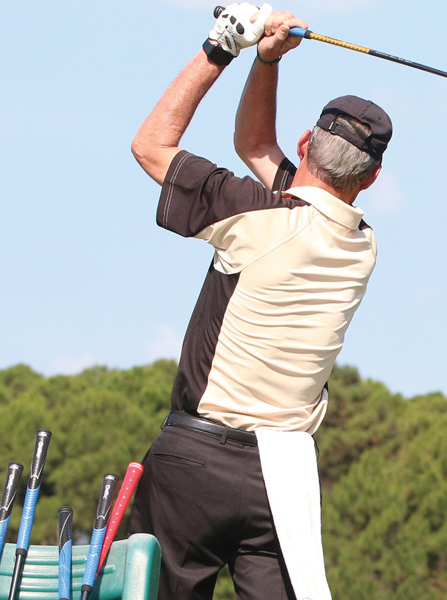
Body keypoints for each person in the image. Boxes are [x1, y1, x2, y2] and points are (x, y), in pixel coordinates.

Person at [126, 4, 391, 598]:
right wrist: (267, 62)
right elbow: (256, 144)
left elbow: (150, 145)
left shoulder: (258, 213)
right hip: (283, 479)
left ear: (306, 143)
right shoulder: (361, 243)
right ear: (371, 178)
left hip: (194, 459)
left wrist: (224, 46)